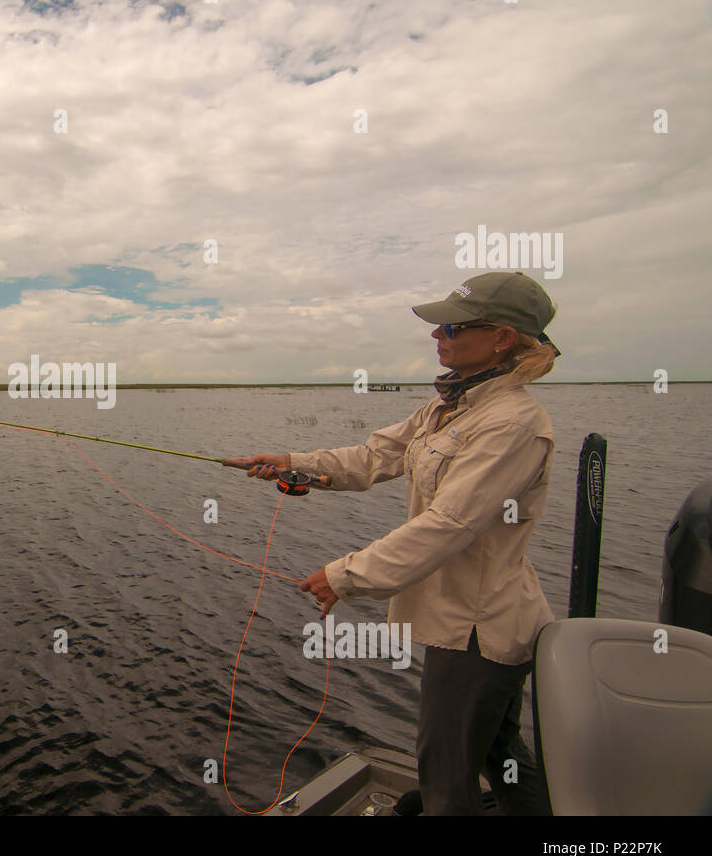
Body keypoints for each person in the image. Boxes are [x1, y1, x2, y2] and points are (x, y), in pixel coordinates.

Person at [234, 270, 561, 815]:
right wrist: (293, 463)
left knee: (445, 776)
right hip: (470, 621)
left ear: (502, 337)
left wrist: (343, 576)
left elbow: (448, 526)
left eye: (452, 327)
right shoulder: (449, 407)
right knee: (497, 752)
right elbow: (371, 457)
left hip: (478, 631)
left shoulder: (512, 424)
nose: (438, 337)